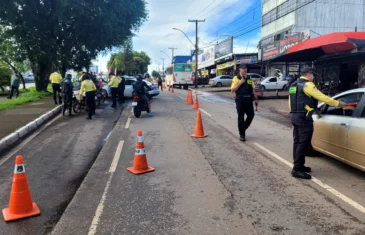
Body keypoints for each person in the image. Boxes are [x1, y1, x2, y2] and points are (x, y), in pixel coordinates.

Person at [289, 68, 349, 179]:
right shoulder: (308, 85)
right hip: (303, 118)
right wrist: (338, 103)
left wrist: (313, 109)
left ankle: (299, 165)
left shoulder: (293, 85)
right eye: (313, 75)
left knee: (297, 142)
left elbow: (294, 102)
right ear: (308, 74)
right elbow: (322, 97)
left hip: (294, 116)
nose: (313, 77)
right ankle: (297, 169)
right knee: (303, 143)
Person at [231, 64, 258, 142]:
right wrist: (240, 83)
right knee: (241, 117)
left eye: (245, 68)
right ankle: (242, 134)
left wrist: (256, 98)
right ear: (240, 69)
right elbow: (232, 90)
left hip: (249, 100)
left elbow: (253, 88)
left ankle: (242, 129)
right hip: (240, 100)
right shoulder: (236, 78)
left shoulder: (249, 78)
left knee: (251, 115)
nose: (245, 70)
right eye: (243, 68)